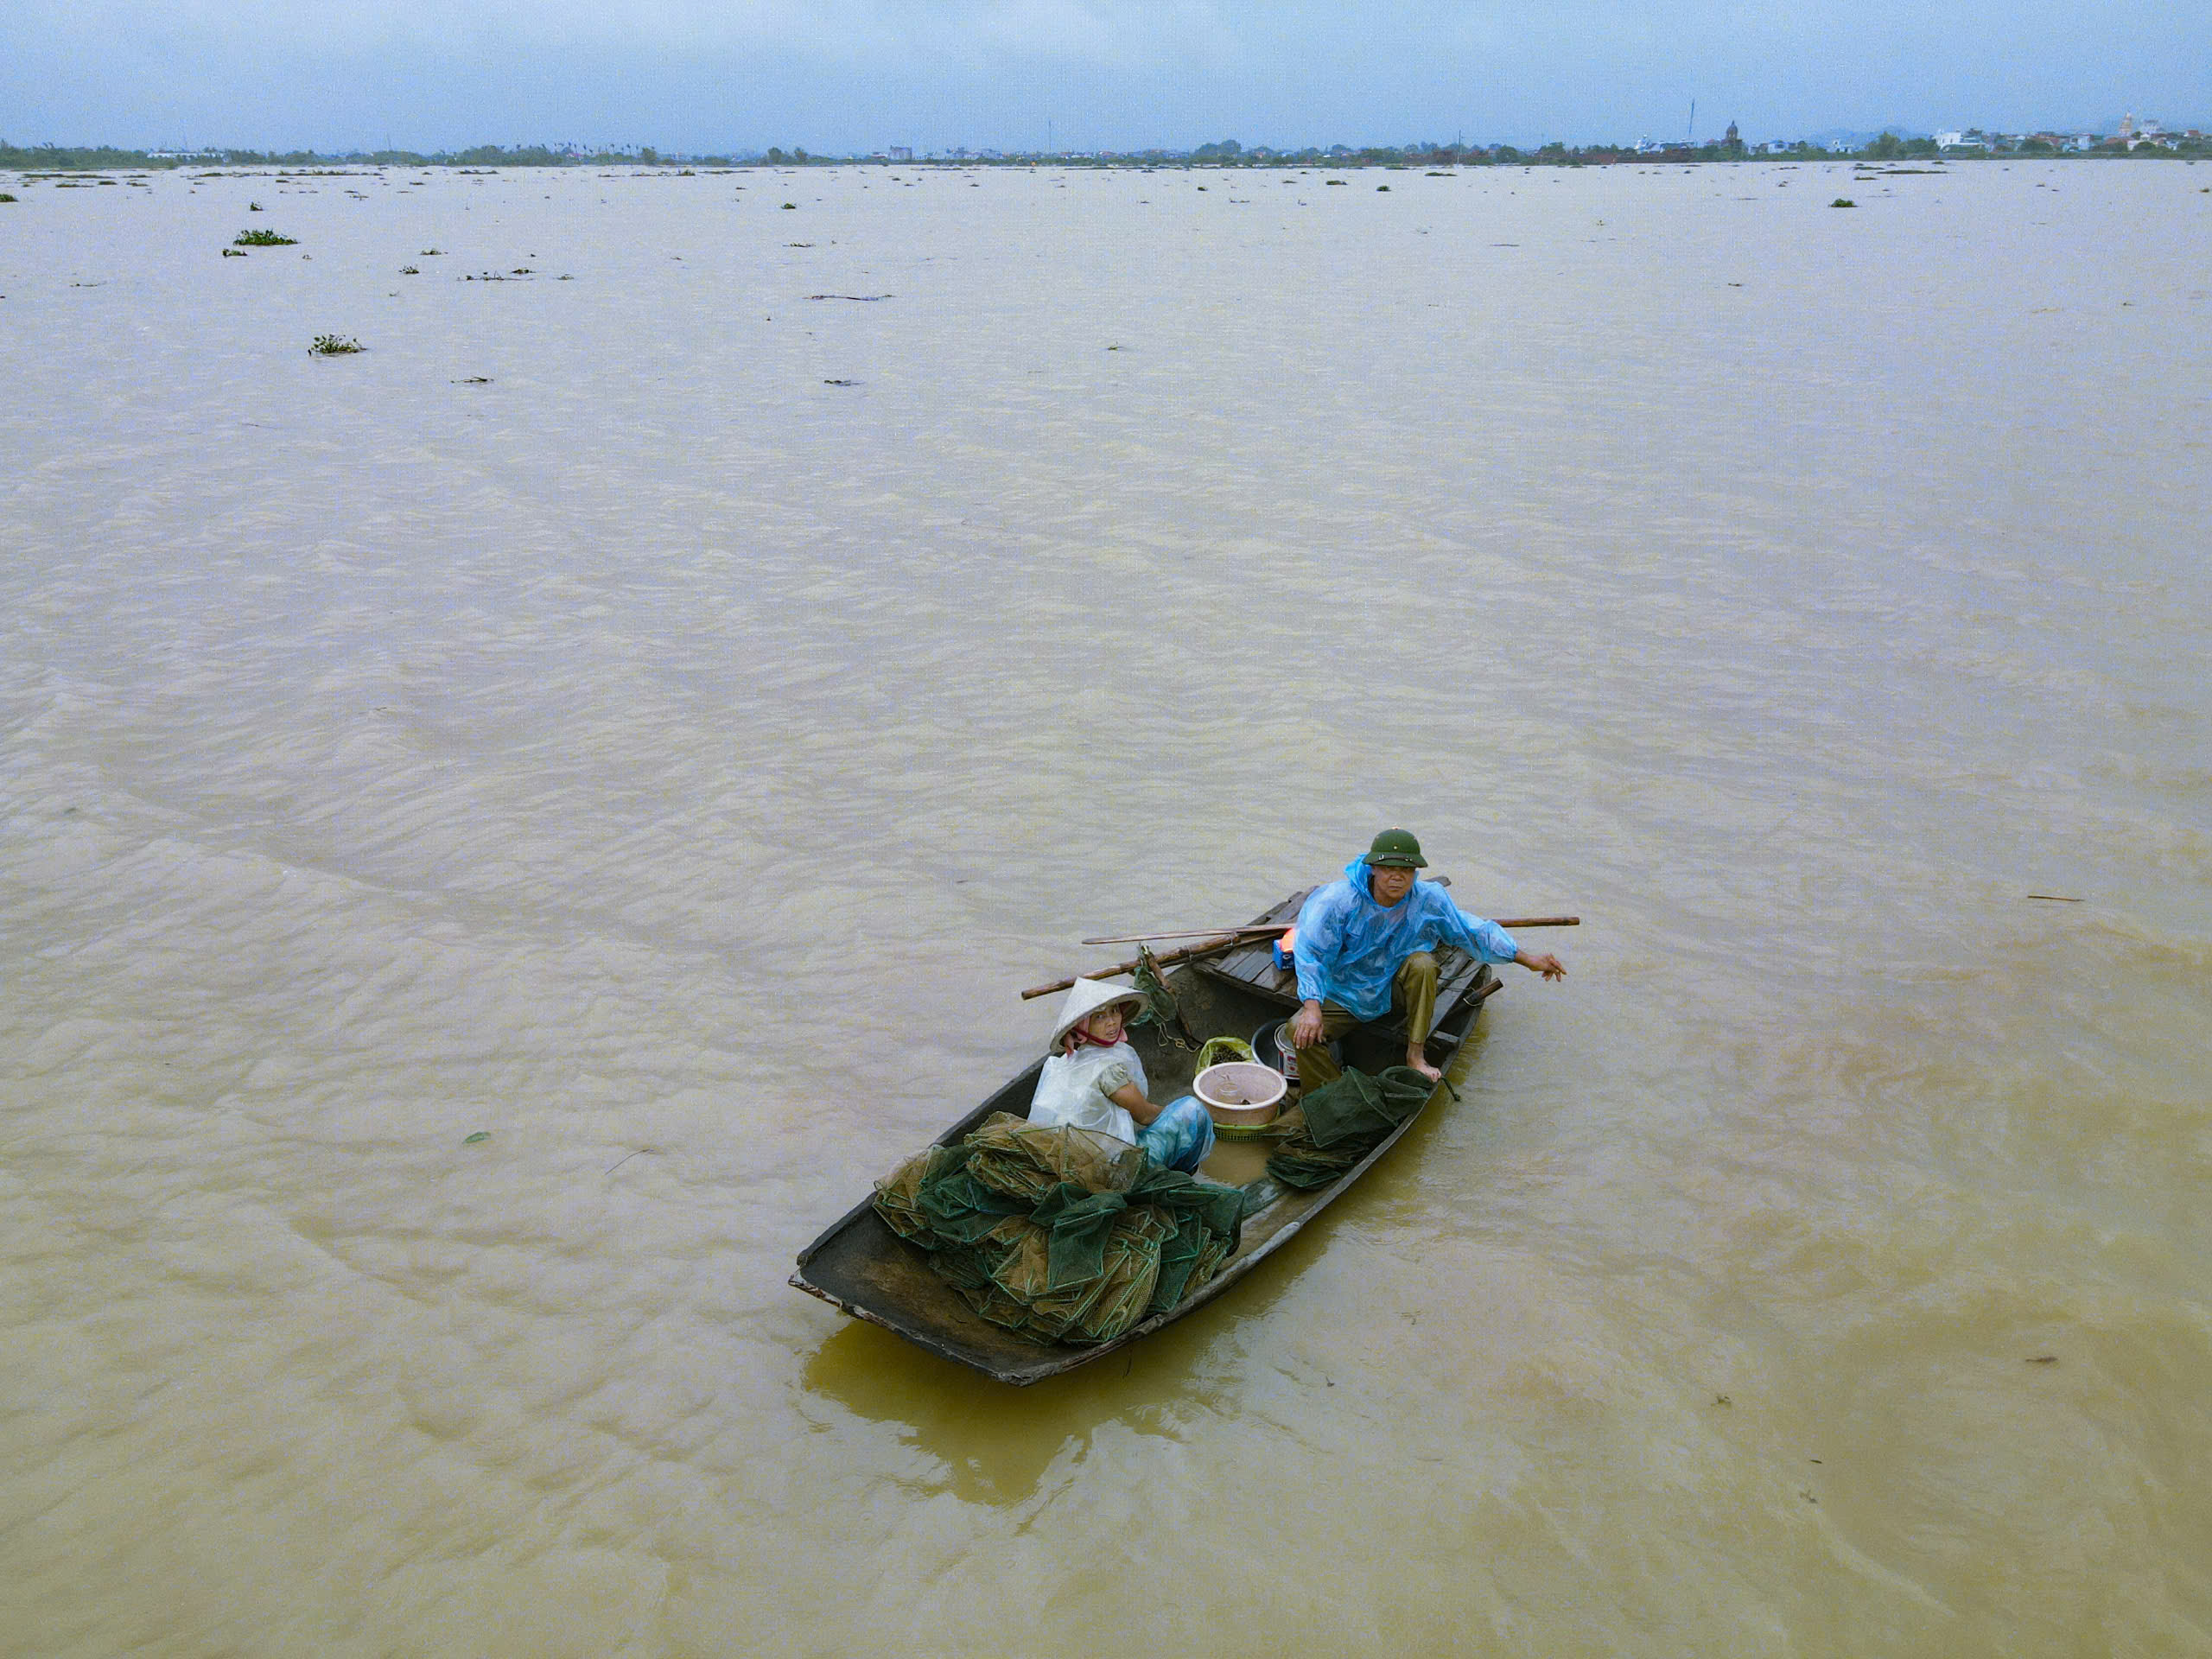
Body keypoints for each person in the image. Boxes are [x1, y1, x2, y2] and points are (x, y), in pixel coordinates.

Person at [1289, 828, 1567, 1087]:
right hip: (1346, 992)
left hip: (1393, 988)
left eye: (1405, 870)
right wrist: (1312, 1007)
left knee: (1423, 964)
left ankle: (1415, 1056)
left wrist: (1527, 959)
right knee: (1297, 1030)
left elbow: (1471, 930)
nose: (1396, 877)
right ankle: (1329, 1099)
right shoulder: (1339, 901)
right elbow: (1311, 953)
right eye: (1388, 868)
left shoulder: (1428, 899)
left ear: (1415, 873)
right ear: (1373, 868)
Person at [1029, 977, 1217, 1173]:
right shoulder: (1108, 1070)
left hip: (1076, 1160)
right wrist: (1177, 1116)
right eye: (1100, 1017)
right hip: (1112, 1170)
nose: (1111, 1022)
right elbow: (1144, 1116)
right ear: (1083, 1026)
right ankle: (1181, 1173)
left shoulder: (1065, 1062)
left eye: (1115, 1011)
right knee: (1192, 1109)